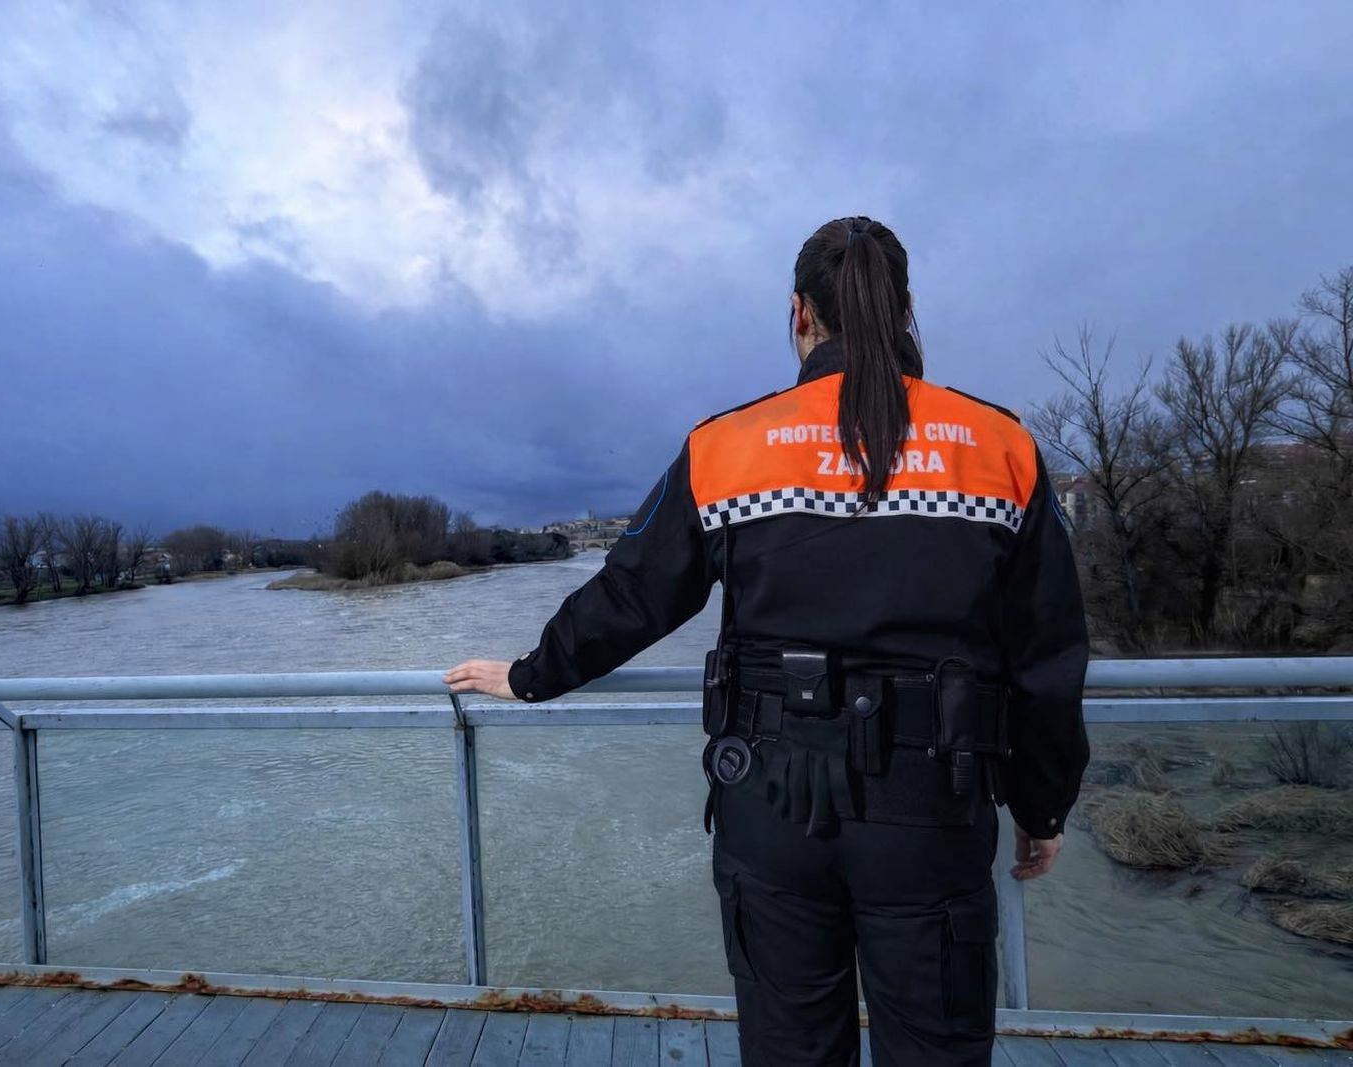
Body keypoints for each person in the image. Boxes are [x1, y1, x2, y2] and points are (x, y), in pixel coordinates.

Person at [445, 216, 1089, 1066]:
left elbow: (634, 593)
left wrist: (530, 675)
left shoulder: (727, 448)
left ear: (799, 315)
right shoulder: (997, 444)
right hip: (933, 808)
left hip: (772, 808)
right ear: (906, 312)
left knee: (789, 1050)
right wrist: (1042, 804)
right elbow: (1046, 654)